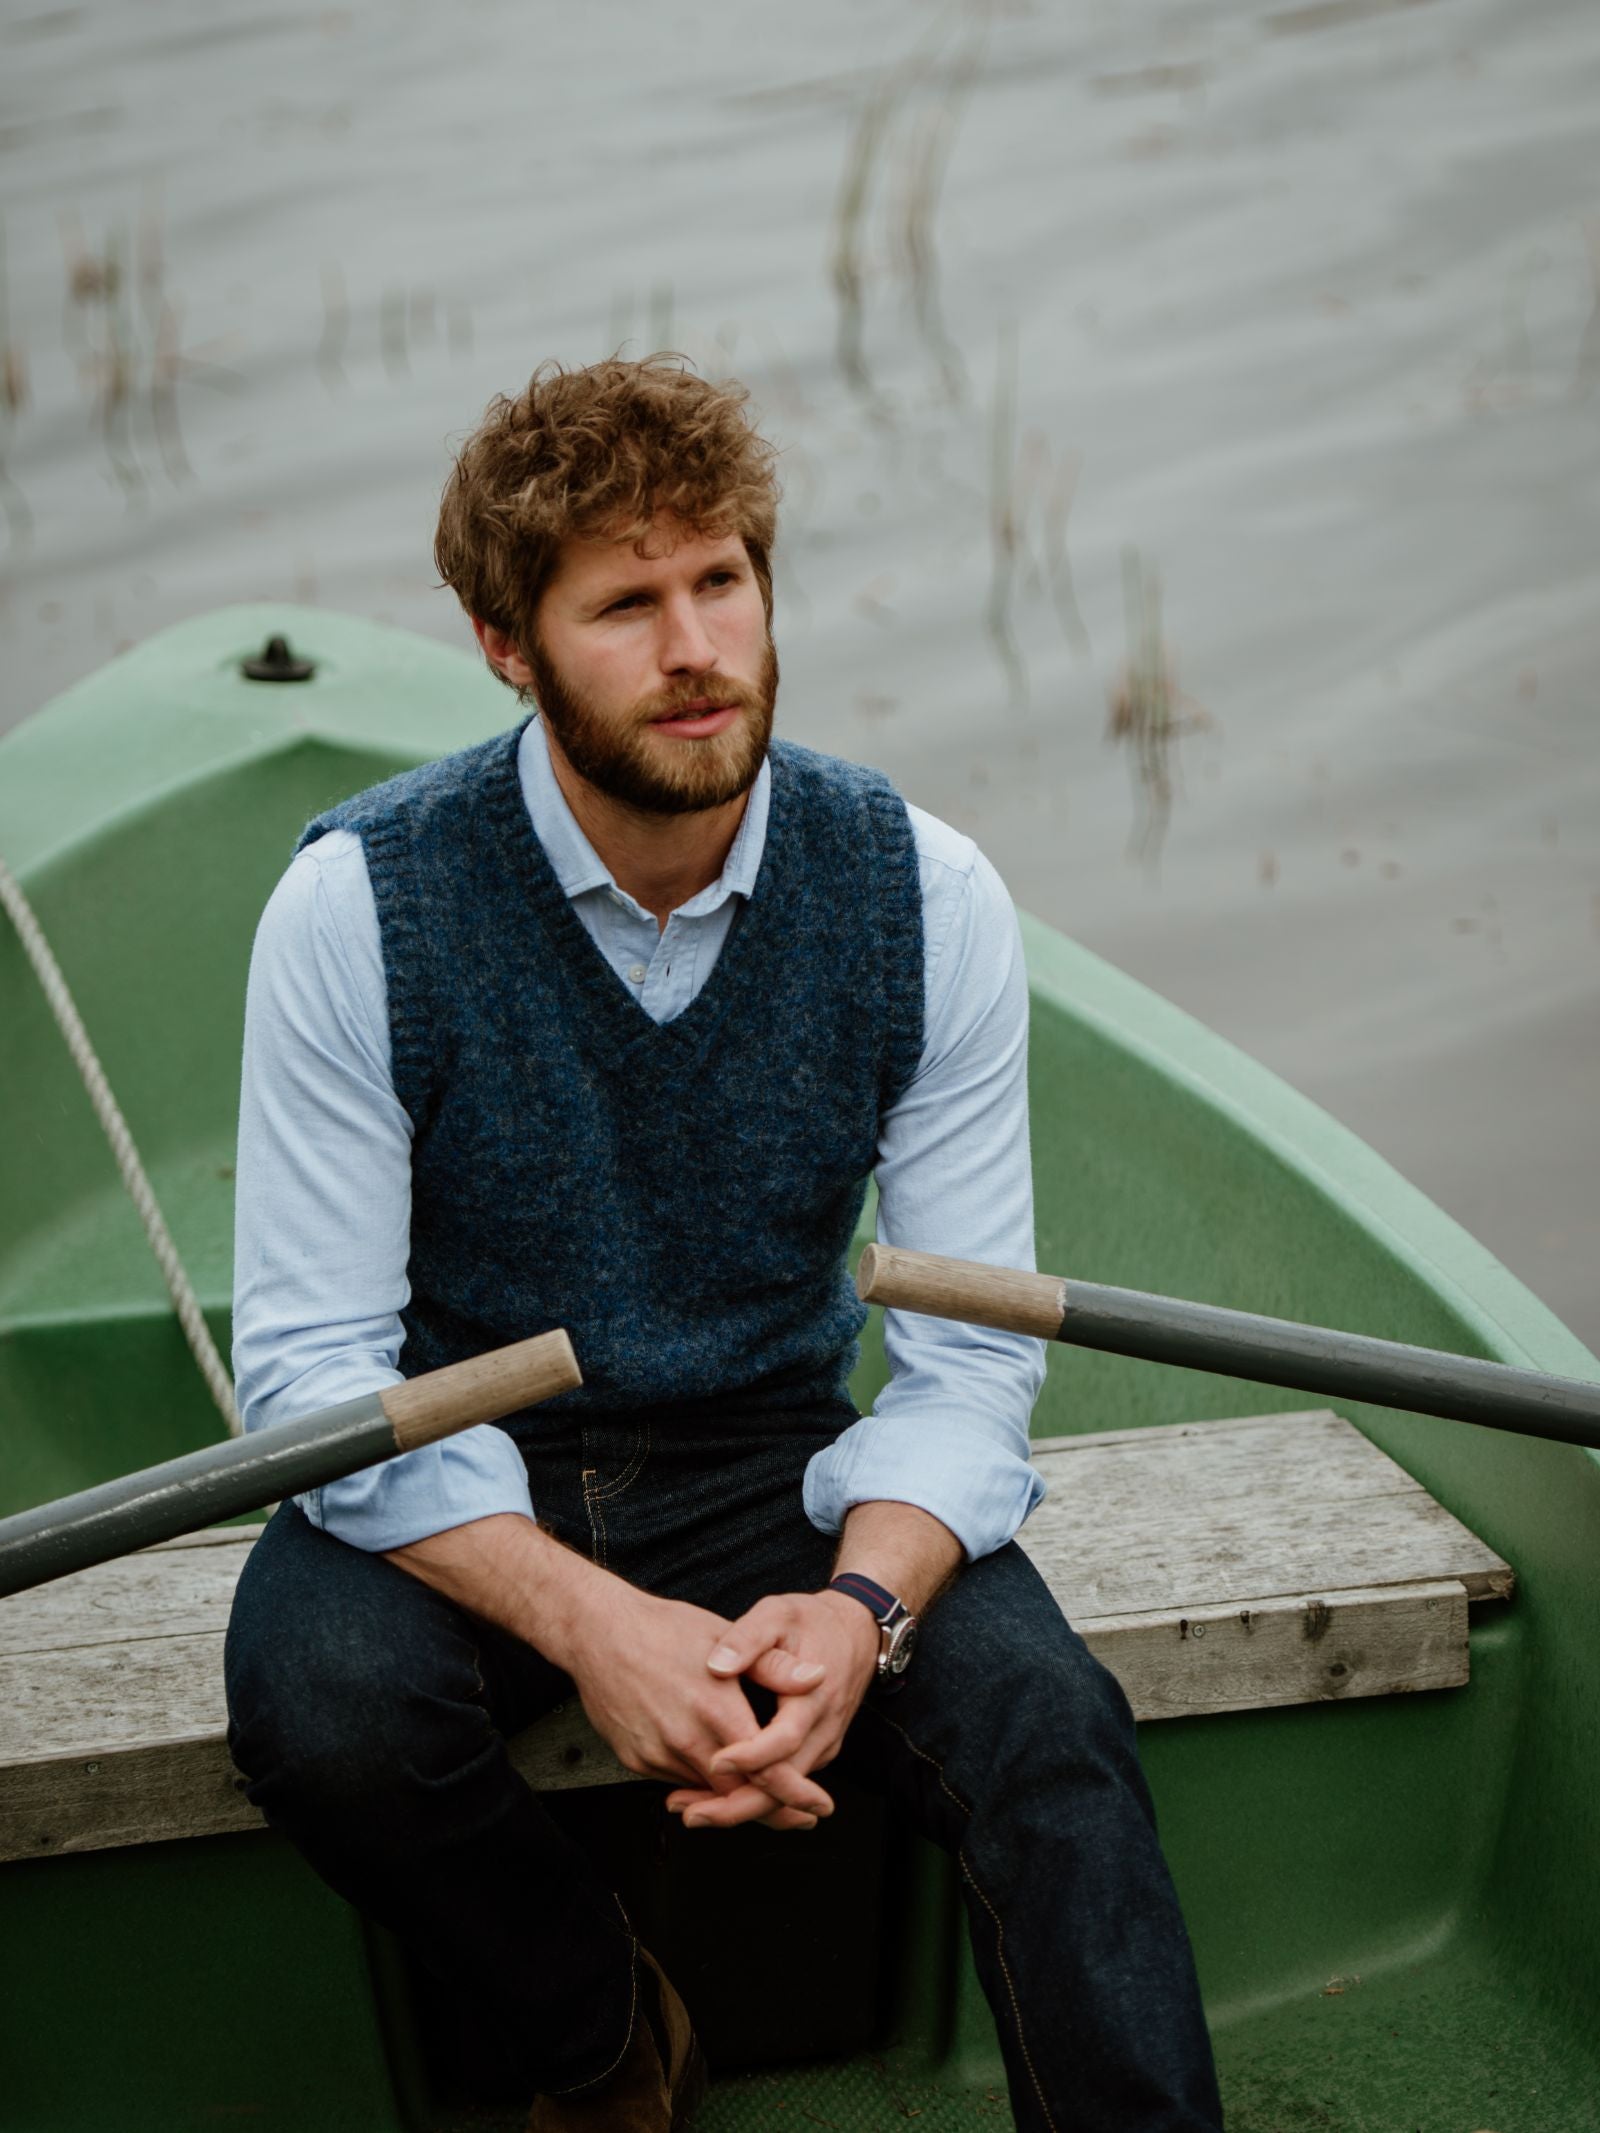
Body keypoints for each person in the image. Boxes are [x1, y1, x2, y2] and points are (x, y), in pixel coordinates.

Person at [223, 356, 1223, 2133]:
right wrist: (596, 1623)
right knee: (321, 1704)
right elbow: (312, 1378)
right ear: (504, 643)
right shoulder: (356, 906)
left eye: (724, 581)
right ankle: (599, 2030)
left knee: (1050, 1733)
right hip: (465, 1457)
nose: (695, 645)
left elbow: (971, 1352)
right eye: (625, 602)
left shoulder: (924, 892)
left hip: (780, 1450)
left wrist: (861, 1605)